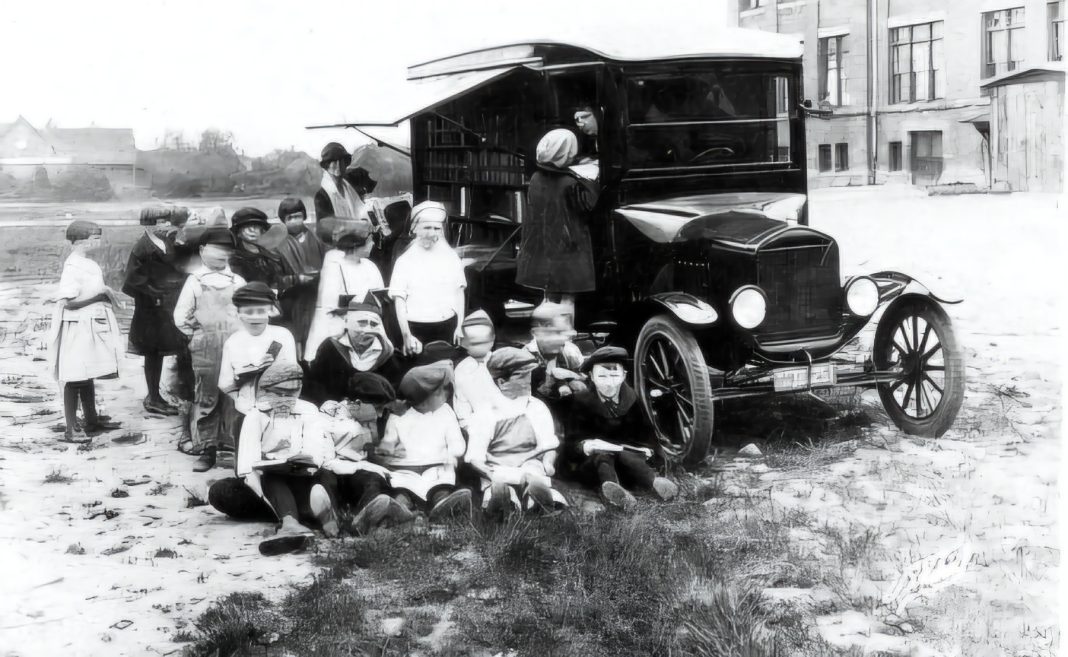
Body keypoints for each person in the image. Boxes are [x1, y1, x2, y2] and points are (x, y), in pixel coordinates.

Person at [210, 362, 341, 555]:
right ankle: (293, 520)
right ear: (265, 392)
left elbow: (317, 450)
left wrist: (306, 465)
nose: (284, 399)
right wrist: (265, 484)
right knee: (222, 491)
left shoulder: (309, 411)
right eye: (277, 394)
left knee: (326, 476)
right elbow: (247, 466)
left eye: (290, 394)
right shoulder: (256, 416)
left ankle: (323, 518)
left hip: (305, 476)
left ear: (299, 391)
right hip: (267, 482)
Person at [563, 346, 678, 510]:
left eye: (614, 375)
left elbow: (647, 435)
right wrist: (585, 446)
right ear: (592, 377)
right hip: (593, 465)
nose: (609, 383)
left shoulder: (632, 399)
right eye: (602, 376)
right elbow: (570, 445)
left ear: (624, 376)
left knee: (625, 455)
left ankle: (655, 482)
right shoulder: (581, 402)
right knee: (603, 457)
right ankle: (615, 494)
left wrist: (650, 451)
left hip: (628, 464)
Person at [173, 226, 246, 472]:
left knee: (233, 395)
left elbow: (246, 312)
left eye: (226, 251)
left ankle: (231, 447)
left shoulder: (237, 281)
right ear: (202, 251)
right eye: (215, 250)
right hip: (205, 349)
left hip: (235, 347)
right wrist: (198, 334)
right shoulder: (195, 281)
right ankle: (207, 448)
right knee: (206, 397)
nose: (220, 256)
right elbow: (181, 316)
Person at [465, 348, 568, 516]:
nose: (528, 380)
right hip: (497, 467)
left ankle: (538, 502)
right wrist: (491, 474)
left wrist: (548, 463)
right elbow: (475, 458)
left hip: (530, 465)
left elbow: (548, 445)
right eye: (520, 376)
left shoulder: (536, 407)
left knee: (534, 476)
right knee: (499, 486)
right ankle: (502, 503)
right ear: (502, 383)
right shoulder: (485, 412)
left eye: (529, 374)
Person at [48, 220, 123, 442]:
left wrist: (104, 292)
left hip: (89, 324)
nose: (98, 242)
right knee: (74, 376)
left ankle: (91, 419)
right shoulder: (73, 267)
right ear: (81, 241)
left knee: (87, 372)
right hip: (76, 327)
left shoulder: (86, 263)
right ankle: (71, 427)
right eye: (94, 238)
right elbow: (69, 302)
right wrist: (100, 296)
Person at [516, 129, 600, 324]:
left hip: (543, 248)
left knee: (548, 296)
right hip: (569, 248)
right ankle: (564, 340)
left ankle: (544, 335)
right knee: (567, 300)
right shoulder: (570, 182)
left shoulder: (536, 178)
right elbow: (589, 205)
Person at [372, 364, 473, 521]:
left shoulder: (445, 412)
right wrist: (387, 448)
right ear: (424, 400)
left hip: (437, 466)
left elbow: (456, 440)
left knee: (440, 490)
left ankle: (442, 507)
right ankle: (399, 510)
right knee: (402, 492)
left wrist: (453, 453)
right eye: (440, 392)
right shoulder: (398, 416)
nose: (446, 394)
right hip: (405, 469)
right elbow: (389, 440)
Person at [123, 205, 191, 416]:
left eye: (166, 221)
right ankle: (153, 396)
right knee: (153, 353)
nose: (165, 225)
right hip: (150, 310)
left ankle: (172, 391)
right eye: (160, 222)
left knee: (170, 348)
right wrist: (156, 295)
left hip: (168, 306)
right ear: (148, 225)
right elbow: (132, 281)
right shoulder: (141, 247)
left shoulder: (167, 242)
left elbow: (177, 267)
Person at [388, 201, 467, 357]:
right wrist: (406, 335)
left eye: (437, 228)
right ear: (415, 228)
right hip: (416, 328)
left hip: (446, 327)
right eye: (427, 227)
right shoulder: (405, 261)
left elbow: (459, 293)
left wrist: (460, 325)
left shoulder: (451, 258)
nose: (432, 233)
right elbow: (399, 300)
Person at [304, 292, 404, 404]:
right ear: (347, 322)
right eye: (362, 322)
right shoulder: (330, 348)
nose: (367, 329)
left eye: (374, 324)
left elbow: (392, 393)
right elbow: (316, 386)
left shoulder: (388, 355)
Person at [304, 221, 384, 361]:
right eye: (370, 241)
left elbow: (379, 298)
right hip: (339, 328)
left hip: (367, 327)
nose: (372, 245)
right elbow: (328, 306)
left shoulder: (371, 266)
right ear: (356, 245)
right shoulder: (334, 266)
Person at [219, 282, 298, 419]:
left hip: (280, 405)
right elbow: (225, 382)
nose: (255, 317)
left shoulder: (282, 336)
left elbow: (294, 378)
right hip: (246, 409)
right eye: (249, 312)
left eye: (260, 311)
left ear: (269, 312)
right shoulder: (233, 341)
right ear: (239, 314)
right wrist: (240, 400)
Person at [273, 198, 326, 361]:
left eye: (297, 216)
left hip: (319, 296)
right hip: (295, 302)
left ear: (304, 216)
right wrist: (296, 279)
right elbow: (277, 280)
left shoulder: (319, 241)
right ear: (284, 221)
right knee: (297, 340)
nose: (295, 221)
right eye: (290, 218)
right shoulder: (280, 249)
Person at [524, 302, 586, 406]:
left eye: (565, 333)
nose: (564, 339)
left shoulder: (571, 351)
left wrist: (576, 380)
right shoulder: (524, 358)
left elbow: (582, 376)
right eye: (558, 332)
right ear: (539, 331)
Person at [452, 309, 504, 431]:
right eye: (475, 343)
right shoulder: (463, 370)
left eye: (484, 342)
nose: (480, 348)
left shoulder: (499, 361)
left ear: (493, 340)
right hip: (477, 424)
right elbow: (463, 407)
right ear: (465, 344)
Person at [229, 207, 282, 290]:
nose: (252, 229)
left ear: (262, 231)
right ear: (238, 233)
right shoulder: (234, 260)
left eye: (256, 226)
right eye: (246, 226)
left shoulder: (271, 256)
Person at [314, 142, 369, 221]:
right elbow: (326, 227)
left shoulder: (347, 186)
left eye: (341, 160)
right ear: (327, 164)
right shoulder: (322, 192)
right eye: (334, 161)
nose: (338, 165)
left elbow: (361, 211)